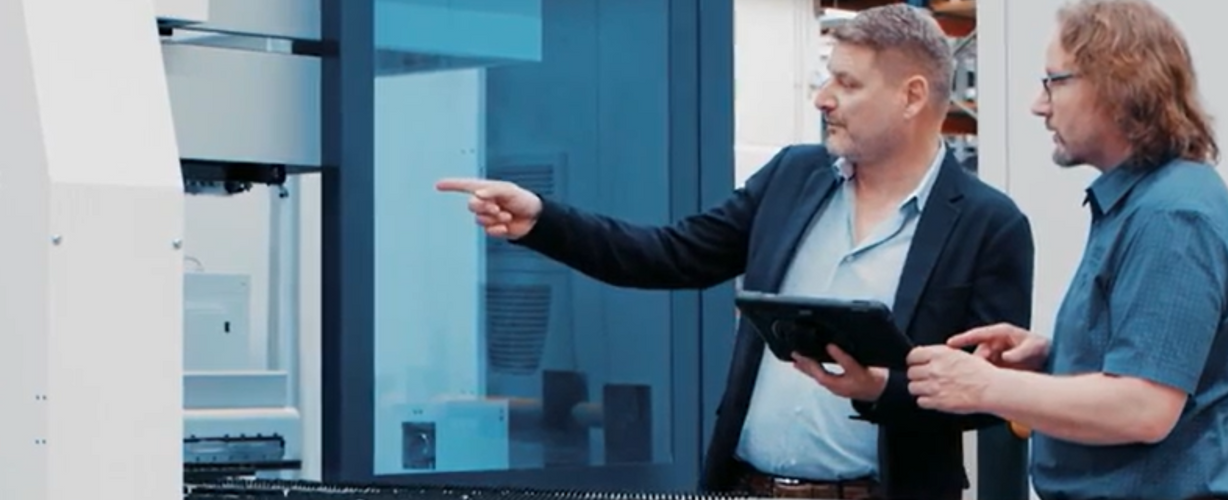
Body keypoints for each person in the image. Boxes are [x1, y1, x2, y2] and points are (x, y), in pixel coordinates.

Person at [435, 5, 1031, 499]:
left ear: (912, 96)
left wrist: (882, 389)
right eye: (827, 78)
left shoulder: (989, 224)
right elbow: (668, 254)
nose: (824, 98)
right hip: (745, 486)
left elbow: (988, 398)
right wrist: (542, 220)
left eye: (847, 84)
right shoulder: (793, 177)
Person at [904, 1, 1227, 500]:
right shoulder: (1138, 203)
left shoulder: (1172, 215)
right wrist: (1055, 358)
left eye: (1053, 81)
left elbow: (1144, 408)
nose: (1039, 105)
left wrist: (983, 386)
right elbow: (1154, 365)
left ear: (1118, 84)